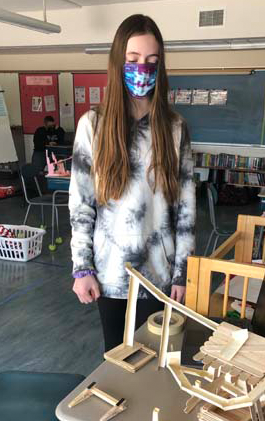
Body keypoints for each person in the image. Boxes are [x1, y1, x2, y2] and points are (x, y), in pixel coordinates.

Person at [69, 14, 196, 352]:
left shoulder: (175, 128)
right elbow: (81, 205)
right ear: (117, 61)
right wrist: (82, 268)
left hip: (160, 276)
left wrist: (183, 274)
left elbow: (185, 211)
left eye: (152, 61)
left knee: (159, 364)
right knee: (118, 362)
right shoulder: (92, 126)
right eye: (133, 59)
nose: (143, 68)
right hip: (110, 275)